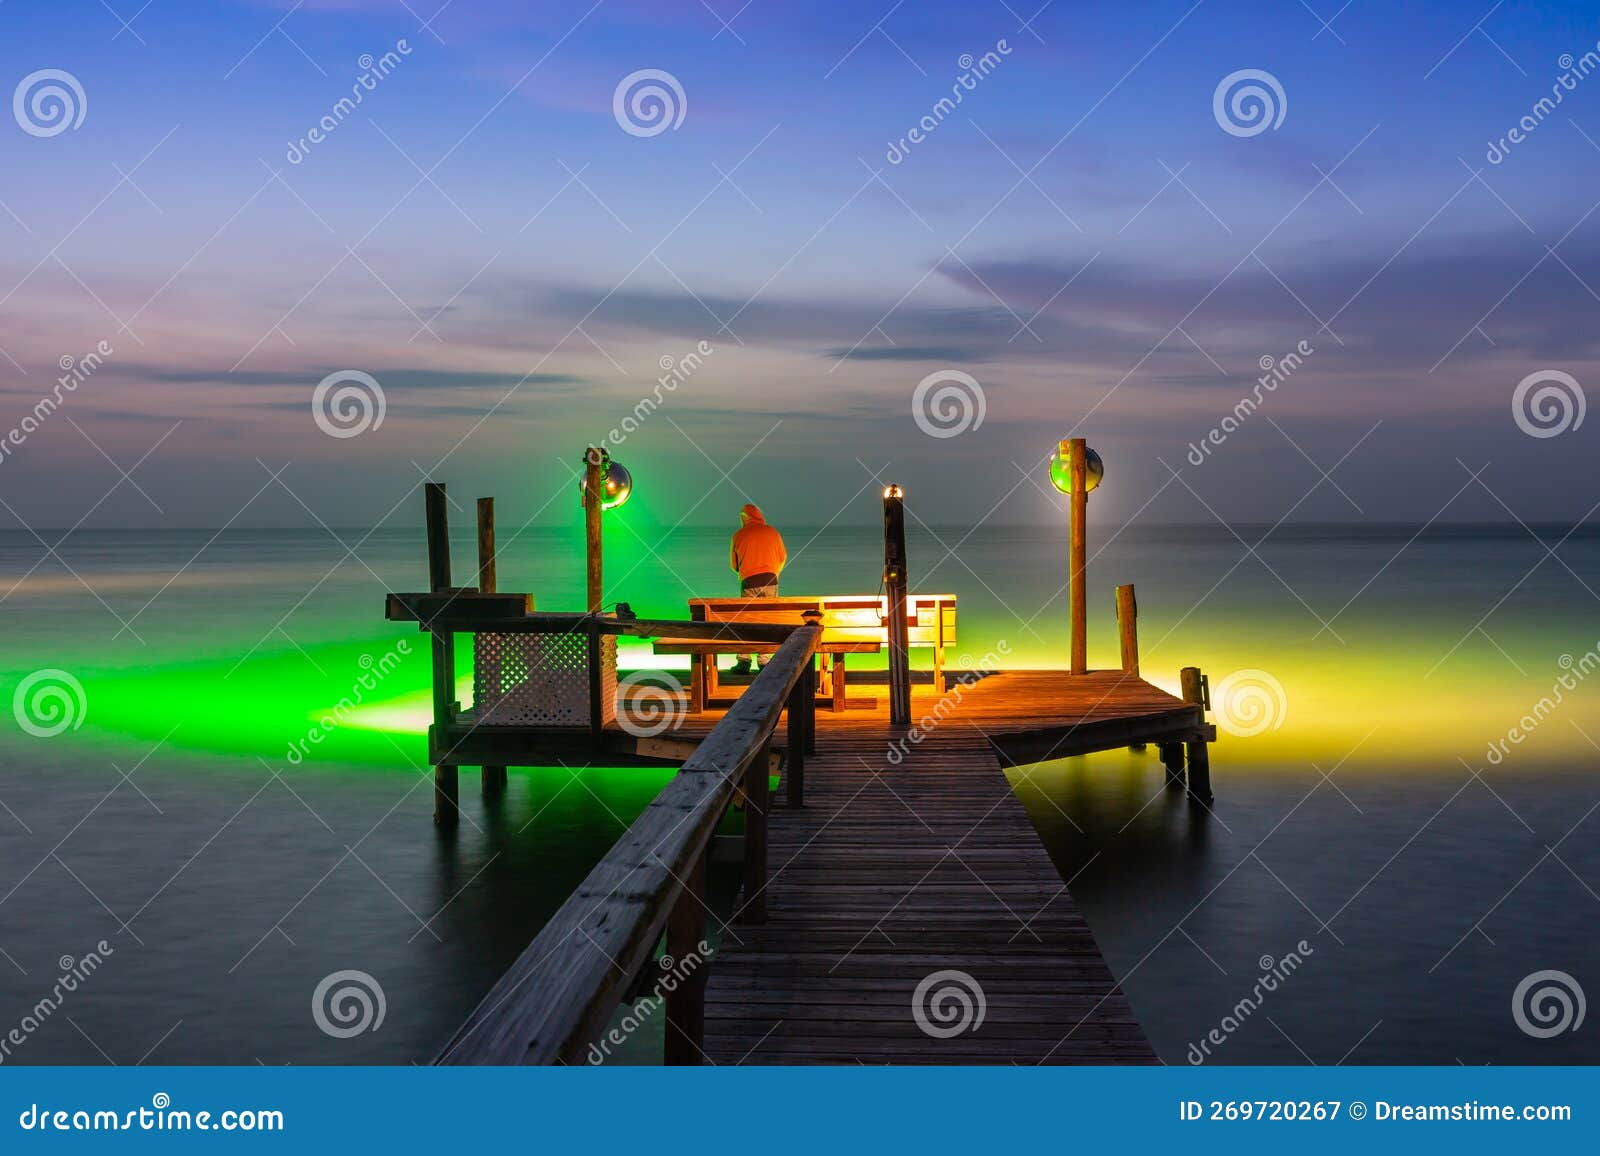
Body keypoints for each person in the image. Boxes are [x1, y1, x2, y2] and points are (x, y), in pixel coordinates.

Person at [729, 502, 787, 673]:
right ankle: (764, 661)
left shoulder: (738, 535)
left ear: (744, 518)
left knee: (747, 620)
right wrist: (774, 572)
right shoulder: (772, 532)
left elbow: (734, 565)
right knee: (767, 620)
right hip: (770, 579)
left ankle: (744, 661)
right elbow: (782, 557)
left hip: (749, 581)